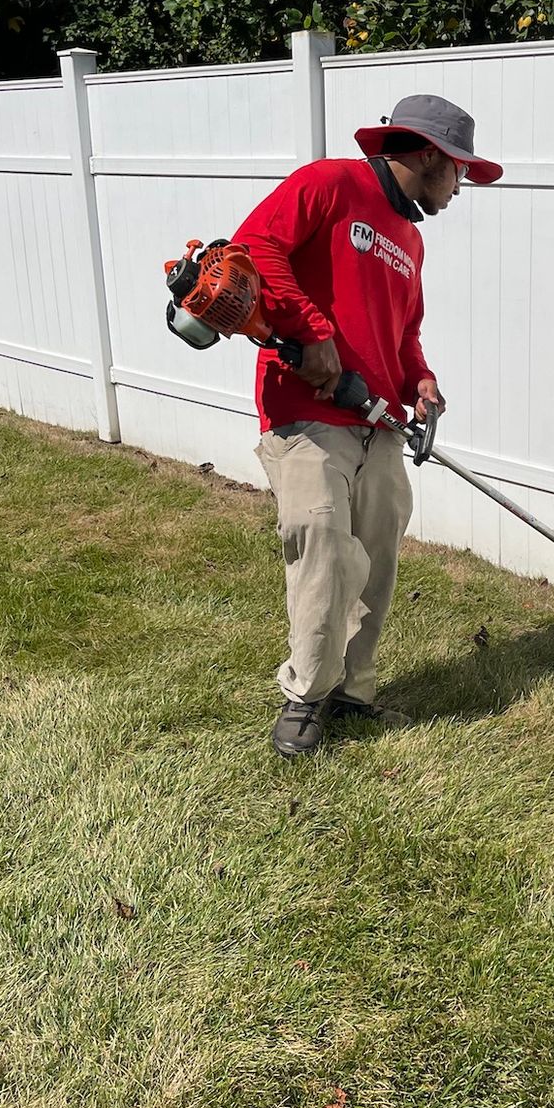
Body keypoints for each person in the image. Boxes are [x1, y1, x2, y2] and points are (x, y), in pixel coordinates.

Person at [231, 95, 501, 758]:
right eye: (459, 171)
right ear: (430, 155)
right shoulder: (329, 182)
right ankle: (305, 696)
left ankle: (353, 692)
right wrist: (313, 332)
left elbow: (403, 333)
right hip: (308, 411)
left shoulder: (409, 240)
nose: (460, 185)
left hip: (377, 422)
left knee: (375, 561)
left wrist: (421, 382)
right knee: (323, 546)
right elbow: (254, 247)